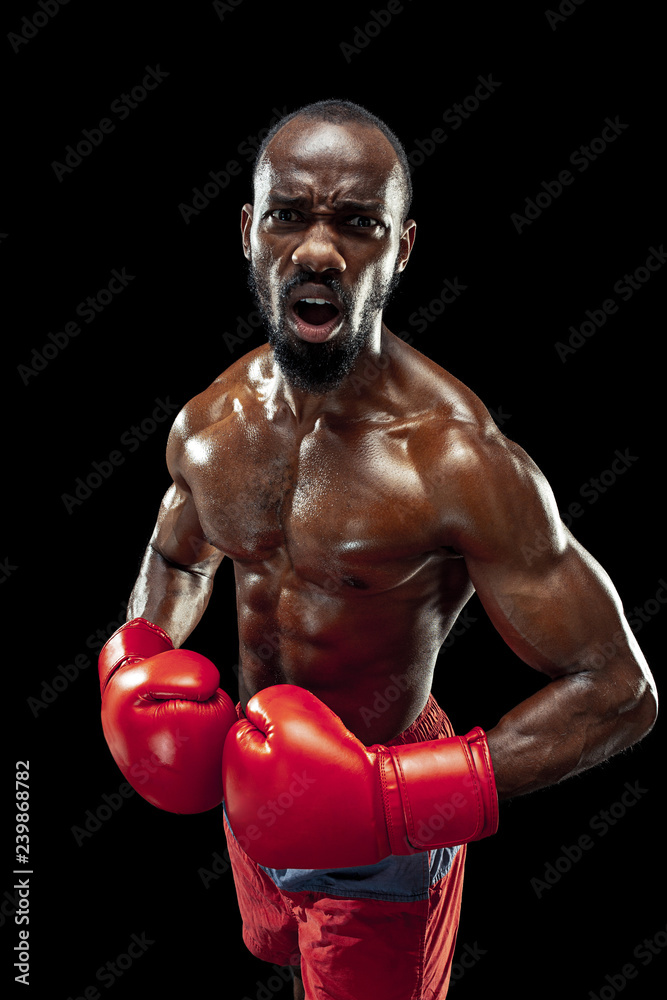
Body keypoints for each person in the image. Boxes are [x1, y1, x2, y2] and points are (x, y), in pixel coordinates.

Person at [97, 100, 657, 999]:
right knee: (277, 953)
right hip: (253, 795)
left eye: (357, 224)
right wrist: (134, 663)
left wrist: (395, 801)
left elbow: (618, 690)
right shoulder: (210, 425)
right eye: (289, 214)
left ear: (399, 250)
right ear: (249, 232)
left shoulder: (455, 459)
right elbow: (177, 558)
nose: (318, 251)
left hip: (383, 835)